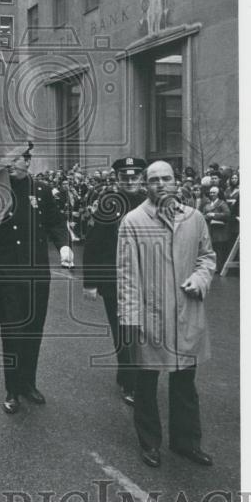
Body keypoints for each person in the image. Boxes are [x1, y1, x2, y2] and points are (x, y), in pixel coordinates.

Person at [117, 161, 216, 468]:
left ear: (176, 182)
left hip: (187, 312)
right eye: (154, 179)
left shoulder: (195, 218)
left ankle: (186, 443)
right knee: (146, 385)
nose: (161, 184)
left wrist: (199, 280)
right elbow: (127, 275)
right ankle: (150, 443)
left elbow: (207, 257)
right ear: (146, 185)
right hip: (151, 317)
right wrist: (131, 320)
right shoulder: (133, 222)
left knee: (185, 383)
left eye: (167, 179)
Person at [0, 143, 72, 414]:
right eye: (8, 160)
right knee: (12, 331)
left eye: (16, 160)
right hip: (7, 273)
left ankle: (29, 383)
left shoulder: (40, 190)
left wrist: (64, 246)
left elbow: (55, 221)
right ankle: (12, 389)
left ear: (27, 162)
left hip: (37, 273)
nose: (11, 164)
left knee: (34, 329)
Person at [82, 157, 147, 406]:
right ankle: (130, 382)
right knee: (123, 332)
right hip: (115, 280)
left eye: (134, 177)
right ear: (117, 179)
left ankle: (129, 373)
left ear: (141, 178)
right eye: (125, 177)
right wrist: (90, 282)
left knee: (141, 331)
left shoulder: (149, 202)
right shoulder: (109, 204)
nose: (130, 181)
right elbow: (94, 245)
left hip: (145, 279)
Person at [201, 185, 232, 271]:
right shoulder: (207, 204)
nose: (212, 194)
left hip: (219, 230)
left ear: (218, 193)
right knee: (211, 249)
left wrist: (214, 215)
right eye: (211, 192)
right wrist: (206, 216)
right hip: (209, 229)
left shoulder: (222, 203)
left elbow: (227, 214)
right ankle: (212, 267)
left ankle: (219, 267)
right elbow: (202, 215)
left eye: (214, 192)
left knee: (219, 250)